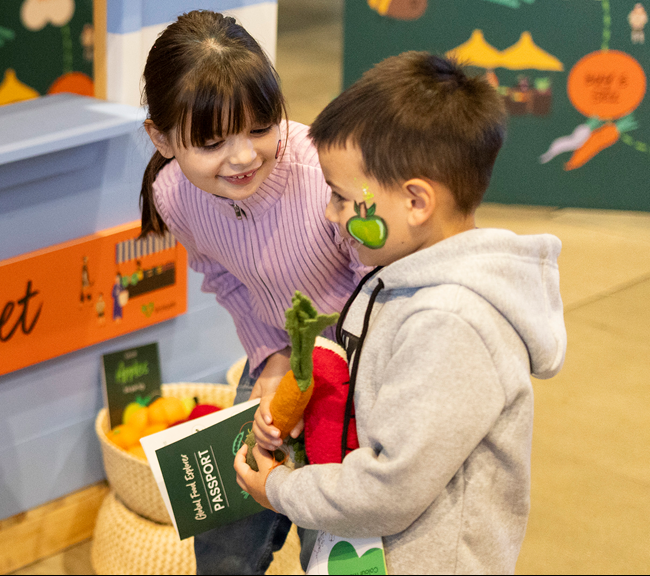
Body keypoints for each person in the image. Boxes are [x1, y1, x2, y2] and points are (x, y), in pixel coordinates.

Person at [236, 51, 567, 574]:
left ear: (416, 201)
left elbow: (391, 486)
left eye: (343, 198)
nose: (331, 213)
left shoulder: (452, 323)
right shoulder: (395, 272)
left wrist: (281, 489)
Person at [138, 10, 368, 575]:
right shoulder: (174, 194)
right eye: (213, 141)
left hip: (358, 376)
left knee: (333, 547)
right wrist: (270, 358)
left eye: (260, 128)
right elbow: (225, 278)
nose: (242, 157)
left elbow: (381, 289)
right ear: (162, 139)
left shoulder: (325, 171)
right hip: (278, 357)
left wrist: (326, 382)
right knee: (225, 543)